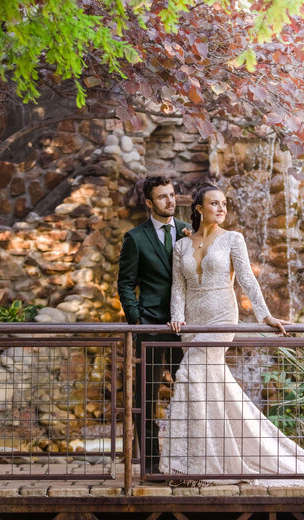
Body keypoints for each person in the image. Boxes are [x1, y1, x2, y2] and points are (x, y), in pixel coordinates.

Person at [159, 182, 304, 483]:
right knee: (210, 385)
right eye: (214, 204)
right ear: (199, 209)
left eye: (224, 203)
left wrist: (265, 315)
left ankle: (195, 464)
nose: (222, 208)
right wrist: (176, 318)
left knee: (188, 373)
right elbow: (178, 287)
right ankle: (207, 459)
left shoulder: (233, 239)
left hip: (222, 315)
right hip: (192, 323)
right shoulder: (181, 245)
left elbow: (247, 280)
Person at [117, 176, 191, 474]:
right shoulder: (135, 238)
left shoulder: (190, 230)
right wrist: (136, 319)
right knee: (146, 397)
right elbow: (125, 284)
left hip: (185, 328)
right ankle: (149, 464)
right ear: (149, 202)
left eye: (172, 195)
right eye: (162, 197)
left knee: (189, 389)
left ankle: (187, 460)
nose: (170, 201)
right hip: (149, 328)